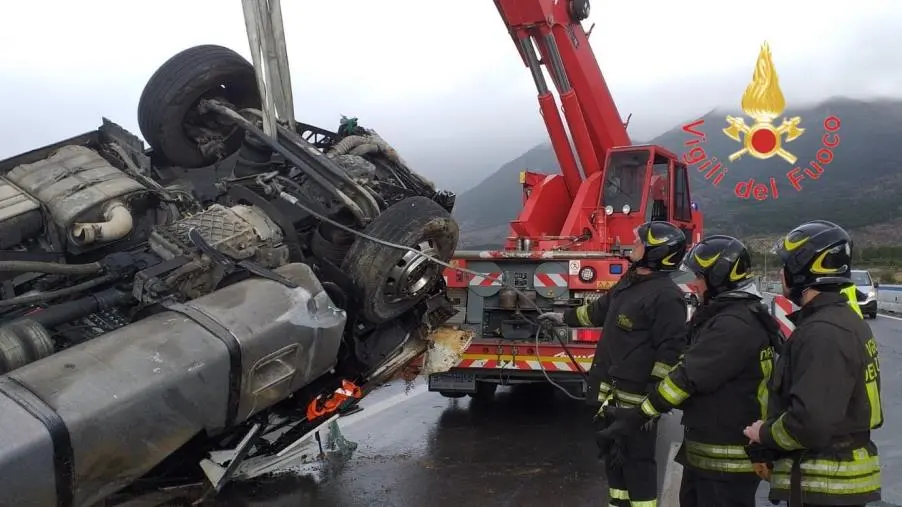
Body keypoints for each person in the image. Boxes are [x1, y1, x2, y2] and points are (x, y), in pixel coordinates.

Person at [596, 235, 782, 507]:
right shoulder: (733, 316)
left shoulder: (733, 325)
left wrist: (638, 415)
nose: (693, 283)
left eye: (699, 277)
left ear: (718, 278)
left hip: (725, 465)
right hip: (711, 460)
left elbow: (686, 378)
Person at [538, 221, 688, 507]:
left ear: (655, 253)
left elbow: (670, 354)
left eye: (640, 242)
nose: (634, 245)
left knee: (638, 466)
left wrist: (651, 405)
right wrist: (562, 319)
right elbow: (596, 312)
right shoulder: (629, 283)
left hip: (636, 406)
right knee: (615, 464)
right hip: (609, 396)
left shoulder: (668, 297)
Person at [743, 220, 883, 507]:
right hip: (831, 484)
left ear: (801, 269)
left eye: (785, 265)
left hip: (824, 486)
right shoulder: (841, 321)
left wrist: (764, 434)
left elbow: (811, 423)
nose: (781, 273)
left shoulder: (823, 333)